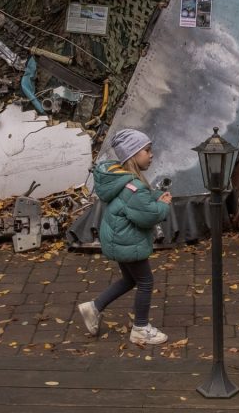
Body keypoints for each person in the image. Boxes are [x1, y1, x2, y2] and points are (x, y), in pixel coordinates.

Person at [77, 128, 172, 346]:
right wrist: (163, 205)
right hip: (127, 240)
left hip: (117, 237)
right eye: (147, 150)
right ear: (133, 155)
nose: (151, 154)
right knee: (146, 281)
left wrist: (155, 196)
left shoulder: (122, 178)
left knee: (131, 279)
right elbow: (147, 216)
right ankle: (140, 328)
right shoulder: (135, 186)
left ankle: (94, 308)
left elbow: (137, 202)